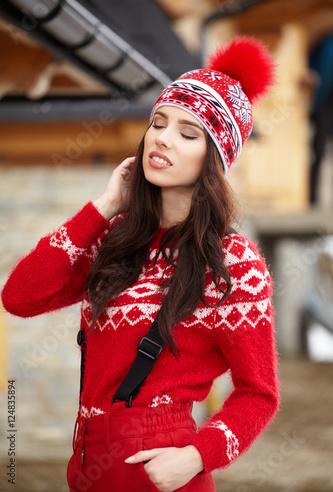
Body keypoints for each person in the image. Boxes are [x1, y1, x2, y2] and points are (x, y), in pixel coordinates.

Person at [1, 36, 280, 492]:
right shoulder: (118, 236)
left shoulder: (232, 261)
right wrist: (103, 208)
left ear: (214, 158)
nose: (164, 138)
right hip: (87, 459)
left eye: (188, 133)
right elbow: (20, 297)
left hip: (159, 464)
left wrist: (196, 457)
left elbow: (259, 393)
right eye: (159, 122)